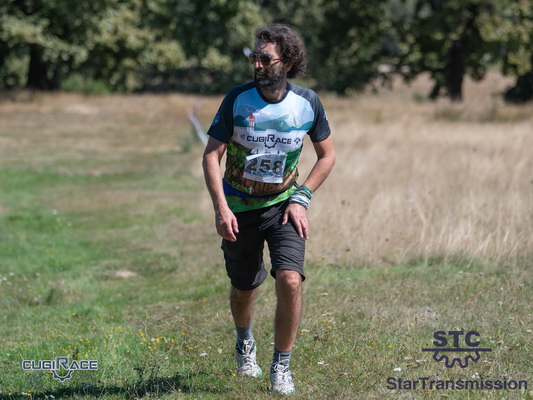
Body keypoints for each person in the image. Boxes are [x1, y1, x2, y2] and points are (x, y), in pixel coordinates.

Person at [202, 23, 335, 395]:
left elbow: (327, 155)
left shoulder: (307, 103)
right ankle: (245, 342)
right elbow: (211, 156)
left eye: (265, 58)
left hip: (283, 207)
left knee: (290, 279)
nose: (257, 65)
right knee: (243, 288)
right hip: (239, 209)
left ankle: (282, 366)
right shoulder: (237, 99)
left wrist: (302, 197)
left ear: (287, 63)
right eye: (254, 57)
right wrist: (221, 208)